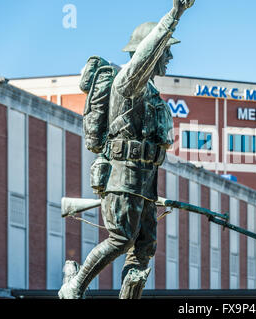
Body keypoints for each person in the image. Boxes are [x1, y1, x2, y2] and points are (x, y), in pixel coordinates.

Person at [59, 0, 195, 299]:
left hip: (145, 180)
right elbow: (148, 53)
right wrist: (174, 16)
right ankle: (74, 286)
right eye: (166, 50)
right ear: (152, 51)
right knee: (120, 238)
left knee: (144, 248)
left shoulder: (152, 94)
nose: (169, 56)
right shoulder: (128, 82)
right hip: (124, 175)